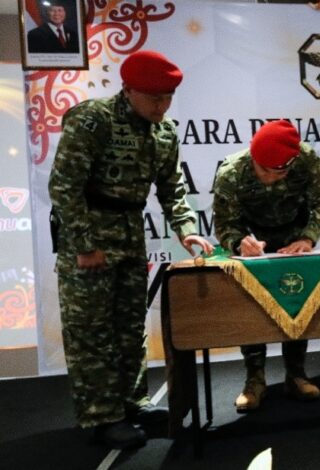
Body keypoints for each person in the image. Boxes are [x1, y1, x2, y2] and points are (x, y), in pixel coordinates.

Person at [48, 50, 213, 449]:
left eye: (168, 98)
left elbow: (173, 190)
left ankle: (131, 403)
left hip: (129, 236)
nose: (162, 106)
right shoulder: (94, 120)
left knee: (129, 327)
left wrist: (187, 231)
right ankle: (103, 416)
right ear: (129, 89)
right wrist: (84, 245)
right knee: (91, 330)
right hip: (88, 236)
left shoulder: (164, 132)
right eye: (155, 98)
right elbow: (64, 187)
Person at [213, 120, 320, 412]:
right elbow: (225, 224)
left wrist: (308, 238)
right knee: (252, 307)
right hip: (252, 240)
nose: (268, 178)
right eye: (263, 170)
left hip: (294, 237)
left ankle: (296, 374)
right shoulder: (231, 172)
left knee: (297, 301)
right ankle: (254, 380)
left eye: (277, 173)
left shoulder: (306, 160)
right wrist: (239, 242)